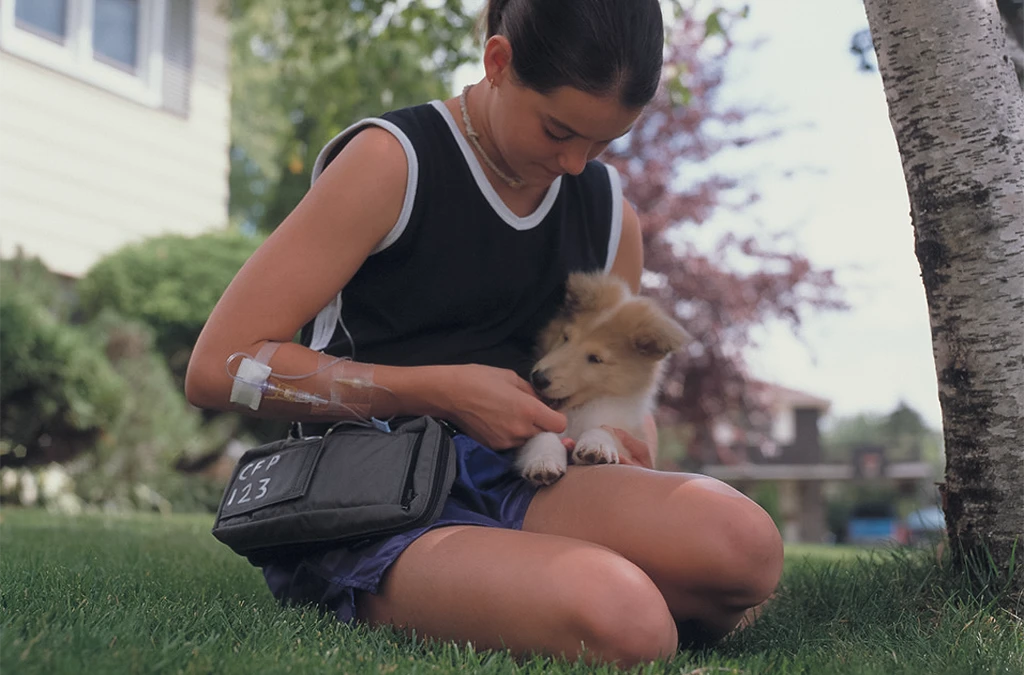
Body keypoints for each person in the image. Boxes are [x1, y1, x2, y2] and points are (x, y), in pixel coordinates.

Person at [185, 0, 783, 666]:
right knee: (629, 622)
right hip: (375, 494)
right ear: (497, 62)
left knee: (745, 545)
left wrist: (616, 437)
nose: (577, 163)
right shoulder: (393, 162)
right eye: (558, 129)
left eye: (603, 142)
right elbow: (220, 365)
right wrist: (441, 391)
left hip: (534, 476)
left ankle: (552, 583)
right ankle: (583, 590)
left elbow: (623, 396)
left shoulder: (609, 212)